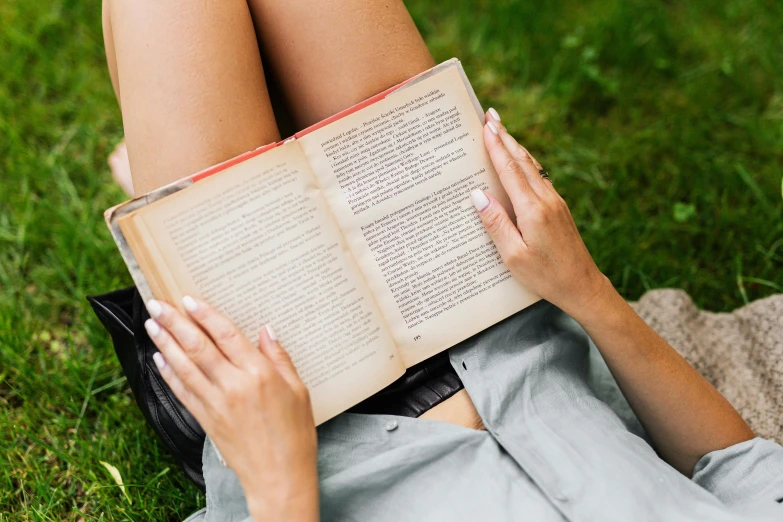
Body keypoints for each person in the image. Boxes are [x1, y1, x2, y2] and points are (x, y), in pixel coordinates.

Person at [102, 1, 783, 520]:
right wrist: (587, 291)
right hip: (492, 314)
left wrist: (276, 478)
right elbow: (737, 465)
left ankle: (176, 157)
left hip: (302, 416)